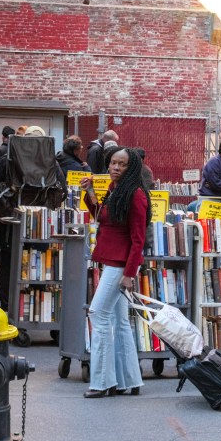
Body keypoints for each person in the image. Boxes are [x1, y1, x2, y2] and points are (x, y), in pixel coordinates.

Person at [79, 147, 149, 398]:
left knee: (98, 314)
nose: (115, 167)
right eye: (113, 163)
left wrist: (129, 273)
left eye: (122, 164)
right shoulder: (115, 189)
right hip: (114, 261)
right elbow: (102, 217)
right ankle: (129, 380)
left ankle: (102, 382)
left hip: (120, 264)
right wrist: (90, 192)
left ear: (132, 168)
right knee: (119, 322)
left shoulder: (136, 195)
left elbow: (138, 239)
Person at [0, 125, 49, 310]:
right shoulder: (50, 162)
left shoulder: (8, 159)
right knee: (39, 264)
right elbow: (63, 191)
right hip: (40, 223)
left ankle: (8, 307)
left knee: (8, 263)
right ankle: (36, 308)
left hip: (11, 221)